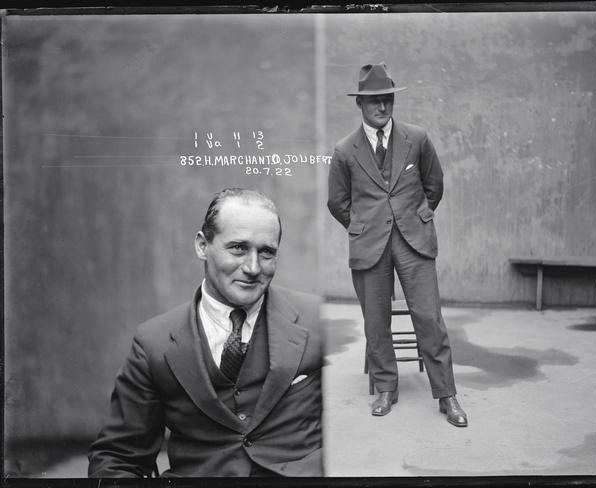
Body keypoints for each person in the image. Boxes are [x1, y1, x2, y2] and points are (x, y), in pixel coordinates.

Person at [88, 188, 323, 477]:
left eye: (266, 252)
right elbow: (118, 457)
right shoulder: (154, 343)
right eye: (238, 247)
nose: (252, 267)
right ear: (202, 245)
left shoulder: (318, 321)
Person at [327, 63, 467, 427]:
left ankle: (446, 394)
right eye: (374, 101)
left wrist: (417, 217)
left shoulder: (416, 138)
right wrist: (361, 226)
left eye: (387, 99)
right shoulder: (345, 150)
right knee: (376, 322)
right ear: (360, 104)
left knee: (429, 318)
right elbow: (337, 202)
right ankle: (385, 388)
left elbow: (434, 186)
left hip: (413, 242)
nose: (382, 107)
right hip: (369, 245)